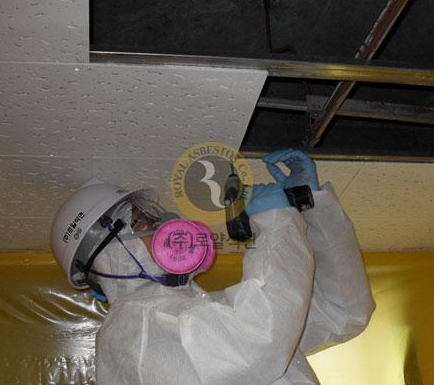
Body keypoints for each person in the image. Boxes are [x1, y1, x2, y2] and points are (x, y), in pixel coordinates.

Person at [51, 149, 375, 384]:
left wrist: (312, 207)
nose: (164, 226)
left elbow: (341, 313)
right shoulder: (134, 333)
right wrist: (276, 221)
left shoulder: (196, 315)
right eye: (140, 222)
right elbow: (259, 342)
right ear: (109, 254)